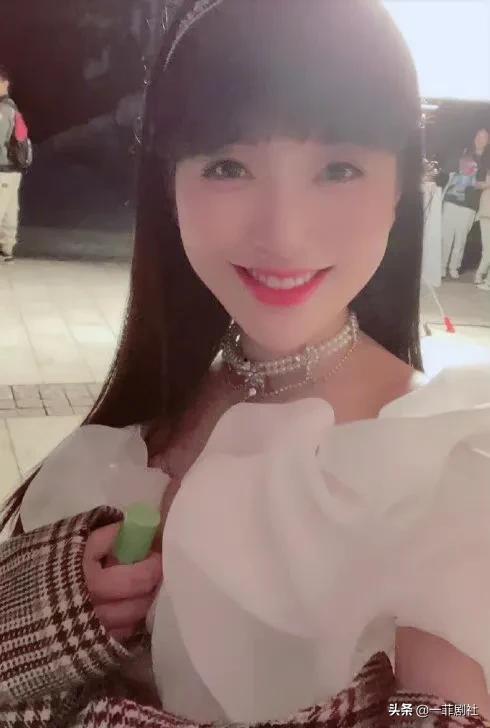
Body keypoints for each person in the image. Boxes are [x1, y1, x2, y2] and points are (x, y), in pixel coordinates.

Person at [1, 1, 490, 726]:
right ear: (170, 184)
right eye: (228, 165)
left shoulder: (447, 468)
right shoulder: (152, 412)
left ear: (399, 189)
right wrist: (35, 612)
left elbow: (446, 709)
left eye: (338, 168)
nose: (282, 234)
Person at [440, 128, 488, 279]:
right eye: (478, 136)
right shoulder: (465, 152)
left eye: (484, 137)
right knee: (446, 236)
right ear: (474, 137)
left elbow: (485, 183)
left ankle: (454, 267)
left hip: (470, 204)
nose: (480, 139)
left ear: (488, 141)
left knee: (460, 239)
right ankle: (442, 266)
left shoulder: (487, 161)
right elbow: (452, 172)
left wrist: (475, 183)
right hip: (452, 200)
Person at [0, 65, 23, 261]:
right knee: (9, 209)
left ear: (5, 84)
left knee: (3, 208)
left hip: (3, 167)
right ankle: (6, 249)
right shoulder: (13, 107)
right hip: (13, 168)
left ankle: (5, 248)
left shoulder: (3, 110)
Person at [475, 143, 490, 290]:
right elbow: (478, 184)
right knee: (487, 249)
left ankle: (482, 277)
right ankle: (480, 276)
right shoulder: (484, 168)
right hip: (486, 211)